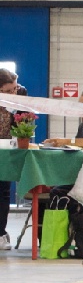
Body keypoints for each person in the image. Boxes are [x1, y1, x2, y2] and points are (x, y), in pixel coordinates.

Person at [0, 68, 27, 250]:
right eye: (8, 91)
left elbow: (25, 120)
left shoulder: (21, 93)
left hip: (7, 150)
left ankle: (1, 234)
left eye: (14, 89)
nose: (13, 94)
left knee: (3, 192)